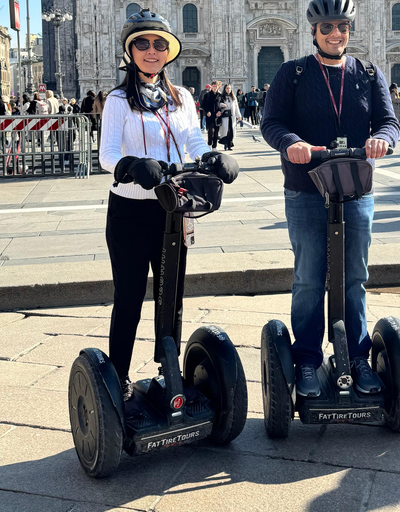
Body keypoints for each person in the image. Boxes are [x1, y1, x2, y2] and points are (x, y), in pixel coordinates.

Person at [260, 0, 399, 397]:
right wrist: (292, 143)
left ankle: (356, 357)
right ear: (313, 31)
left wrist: (382, 140)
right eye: (327, 27)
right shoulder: (293, 73)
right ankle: (306, 358)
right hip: (306, 189)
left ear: (349, 30)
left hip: (355, 188)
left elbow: (389, 121)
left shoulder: (369, 73)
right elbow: (272, 122)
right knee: (308, 278)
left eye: (342, 26)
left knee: (355, 277)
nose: (335, 33)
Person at [99, 9, 238, 399]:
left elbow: (193, 140)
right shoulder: (117, 100)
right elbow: (106, 155)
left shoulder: (183, 97)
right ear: (130, 52)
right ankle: (119, 377)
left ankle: (168, 372)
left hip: (172, 210)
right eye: (142, 44)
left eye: (159, 44)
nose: (151, 51)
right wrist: (130, 164)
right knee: (128, 297)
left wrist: (213, 156)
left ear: (168, 53)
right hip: (129, 211)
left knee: (170, 294)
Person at [218, 84, 242, 150]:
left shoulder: (233, 97)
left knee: (231, 130)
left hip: (232, 116)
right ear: (225, 89)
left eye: (229, 88)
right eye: (227, 88)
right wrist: (221, 104)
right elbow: (218, 104)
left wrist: (239, 115)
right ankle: (225, 144)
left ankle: (230, 144)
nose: (228, 90)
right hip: (225, 116)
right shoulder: (222, 97)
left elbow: (236, 107)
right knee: (226, 130)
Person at [202, 80, 223, 148]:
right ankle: (210, 143)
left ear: (218, 87)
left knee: (216, 131)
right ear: (211, 86)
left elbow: (223, 105)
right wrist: (207, 111)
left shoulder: (220, 96)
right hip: (210, 115)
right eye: (213, 86)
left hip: (217, 116)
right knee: (211, 130)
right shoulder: (207, 95)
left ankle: (214, 146)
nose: (214, 88)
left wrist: (220, 111)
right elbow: (203, 105)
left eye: (216, 86)